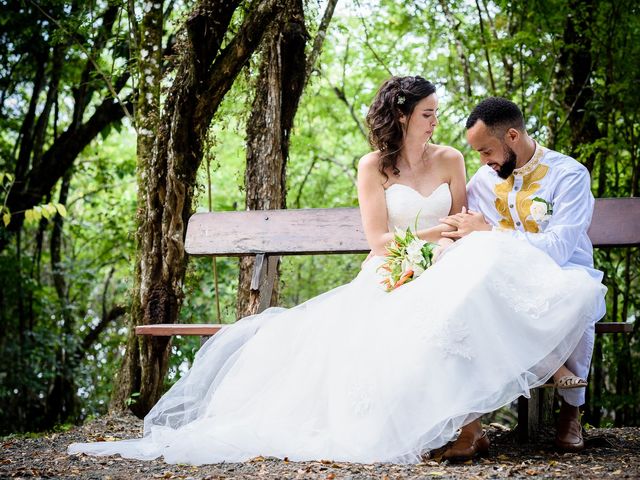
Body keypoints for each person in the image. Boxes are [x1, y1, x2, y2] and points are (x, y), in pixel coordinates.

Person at [68, 77, 605, 465]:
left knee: (472, 287)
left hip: (471, 262)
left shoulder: (469, 164)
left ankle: (506, 416)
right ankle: (462, 423)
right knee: (433, 299)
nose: (436, 120)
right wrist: (437, 243)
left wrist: (458, 242)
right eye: (428, 113)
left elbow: (474, 227)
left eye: (439, 114)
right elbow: (390, 237)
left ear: (507, 139)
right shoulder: (380, 166)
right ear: (401, 116)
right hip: (400, 261)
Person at [439, 97, 607, 457]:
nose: (483, 162)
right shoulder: (484, 182)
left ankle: (571, 414)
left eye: (486, 151)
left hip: (563, 272)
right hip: (504, 283)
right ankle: (471, 421)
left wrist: (491, 234)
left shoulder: (569, 175)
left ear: (512, 135)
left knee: (576, 294)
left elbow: (561, 247)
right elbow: (465, 232)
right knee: (469, 293)